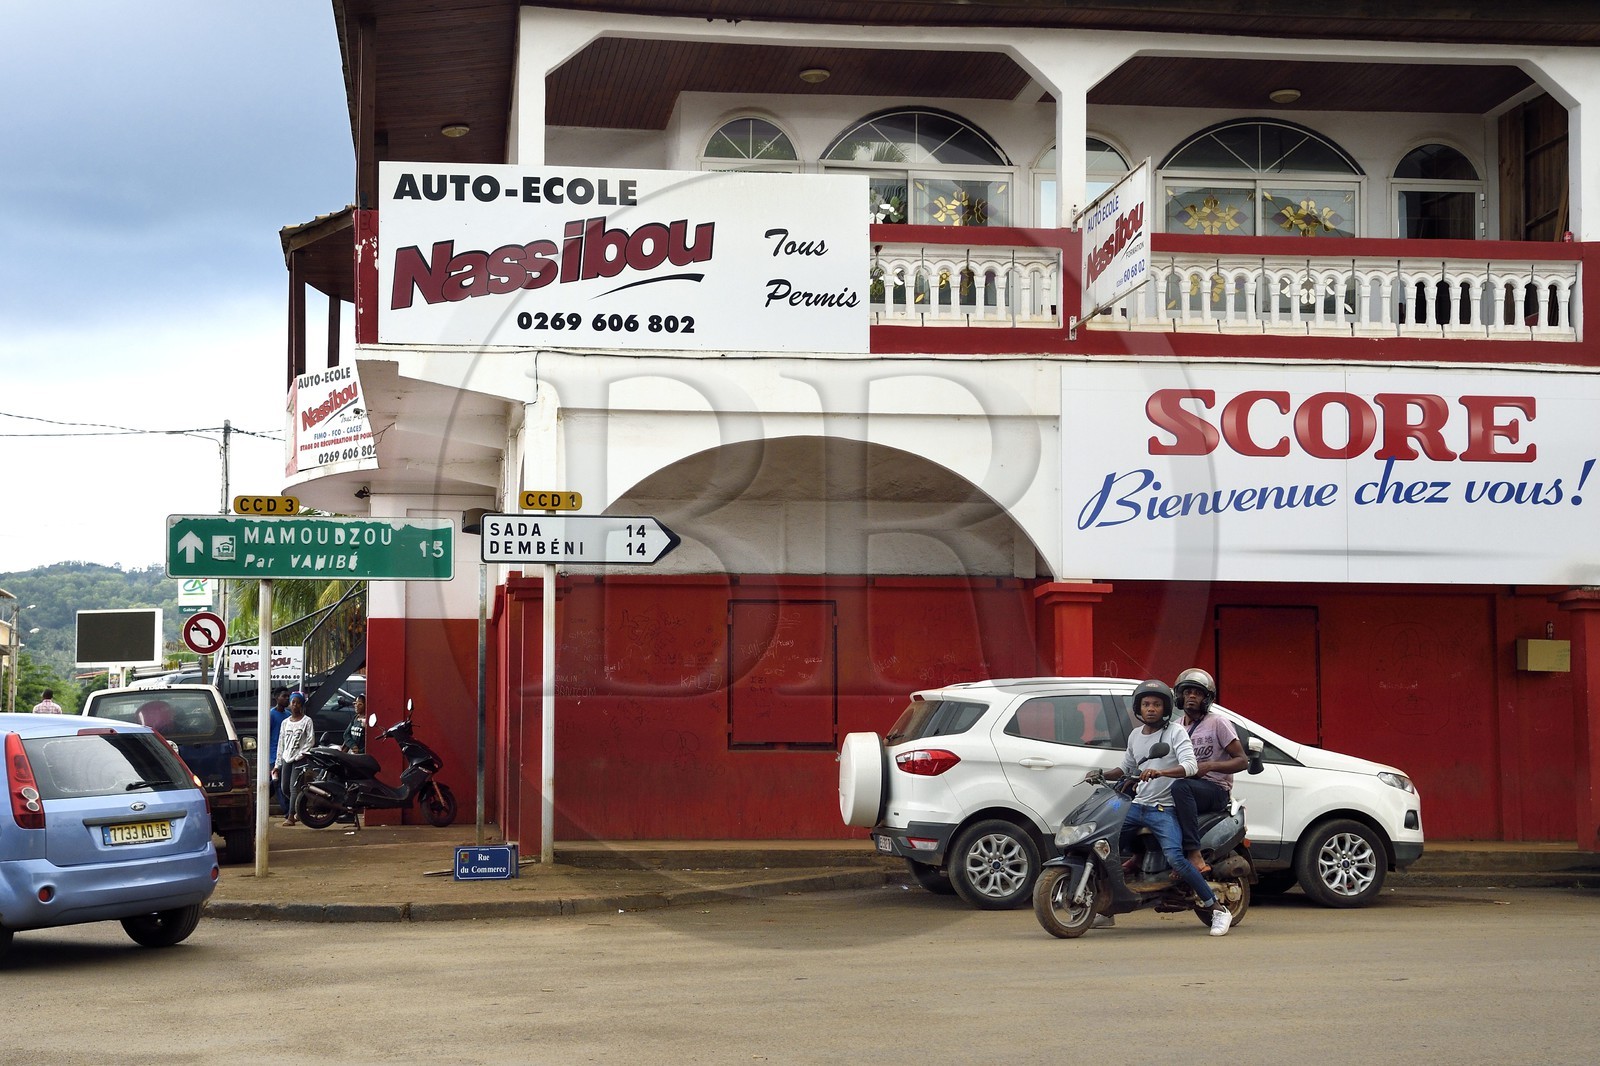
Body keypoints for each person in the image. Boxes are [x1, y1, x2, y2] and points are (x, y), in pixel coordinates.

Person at [1092, 679, 1231, 937]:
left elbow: (1190, 766)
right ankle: (1106, 909)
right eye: (1146, 704)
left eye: (1156, 704)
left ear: (1166, 707)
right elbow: (1127, 769)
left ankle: (1217, 909)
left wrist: (1161, 772)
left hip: (1162, 809)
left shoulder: (1175, 733)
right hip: (1137, 806)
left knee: (1176, 858)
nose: (1151, 709)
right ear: (1138, 708)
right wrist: (1101, 774)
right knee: (1104, 845)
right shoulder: (1135, 735)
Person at [1170, 668, 1248, 876]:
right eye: (1187, 692)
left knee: (1180, 787)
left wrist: (1210, 766)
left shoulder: (1218, 723)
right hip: (1188, 787)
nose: (1192, 696)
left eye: (1198, 693)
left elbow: (1242, 761)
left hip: (1215, 789)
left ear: (1207, 699)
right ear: (1180, 696)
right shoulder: (1175, 728)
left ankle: (1194, 854)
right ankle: (1144, 857)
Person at [273, 691, 315, 826]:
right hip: (286, 757)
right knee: (284, 787)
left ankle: (291, 816)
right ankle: (299, 807)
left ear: (301, 705)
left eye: (297, 702)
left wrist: (301, 754)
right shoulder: (285, 723)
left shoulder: (307, 721)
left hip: (299, 759)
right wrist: (277, 764)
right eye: (293, 702)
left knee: (293, 787)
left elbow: (310, 740)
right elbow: (281, 743)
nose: (294, 705)